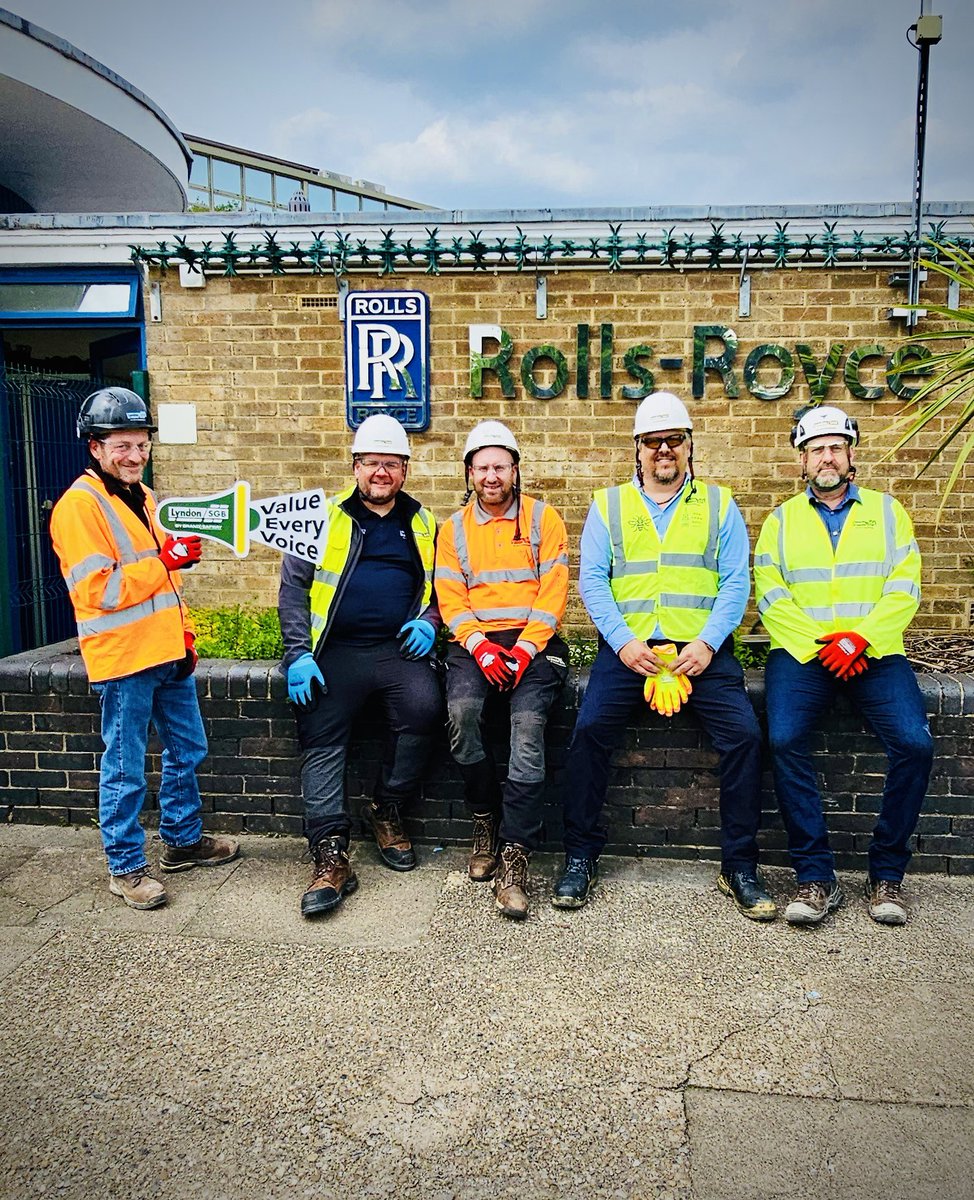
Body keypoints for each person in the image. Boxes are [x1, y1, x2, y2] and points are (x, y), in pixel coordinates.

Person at [552, 391, 772, 920]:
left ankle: (739, 866)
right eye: (653, 442)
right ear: (638, 449)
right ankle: (581, 855)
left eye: (674, 440)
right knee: (587, 735)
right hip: (630, 651)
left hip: (703, 652)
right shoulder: (609, 505)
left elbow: (736, 582)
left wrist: (707, 644)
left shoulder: (720, 504)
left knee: (744, 738)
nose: (664, 450)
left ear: (690, 445)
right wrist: (624, 643)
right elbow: (594, 582)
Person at [49, 388, 239, 911]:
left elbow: (160, 582)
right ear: (95, 448)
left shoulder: (145, 497)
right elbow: (99, 590)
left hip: (165, 654)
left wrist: (184, 635)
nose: (134, 455)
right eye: (122, 446)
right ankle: (127, 868)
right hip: (124, 659)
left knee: (188, 749)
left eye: (141, 444)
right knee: (126, 767)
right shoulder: (78, 508)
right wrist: (166, 562)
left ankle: (182, 842)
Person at [754, 405, 933, 927]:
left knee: (915, 744)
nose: (826, 457)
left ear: (851, 455)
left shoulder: (887, 511)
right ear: (802, 462)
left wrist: (862, 639)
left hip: (874, 652)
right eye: (816, 449)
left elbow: (905, 586)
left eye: (835, 447)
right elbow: (771, 594)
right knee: (783, 740)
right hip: (804, 655)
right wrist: (820, 644)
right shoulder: (781, 520)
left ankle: (886, 874)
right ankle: (816, 877)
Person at [279, 414, 441, 918]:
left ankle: (386, 808)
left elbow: (445, 588)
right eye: (372, 462)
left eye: (391, 464)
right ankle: (330, 855)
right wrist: (297, 654)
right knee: (321, 730)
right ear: (355, 466)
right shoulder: (320, 518)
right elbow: (293, 590)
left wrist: (432, 621)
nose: (381, 472)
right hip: (334, 652)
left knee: (426, 708)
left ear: (405, 470)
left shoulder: (423, 522)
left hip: (398, 649)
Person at [434, 420, 569, 921]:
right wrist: (482, 649)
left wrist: (524, 650)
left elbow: (554, 593)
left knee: (527, 730)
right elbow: (451, 598)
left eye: (500, 466)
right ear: (469, 472)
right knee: (464, 714)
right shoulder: (452, 530)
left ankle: (516, 857)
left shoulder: (542, 519)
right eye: (481, 467)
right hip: (476, 644)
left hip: (533, 642)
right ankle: (485, 819)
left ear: (515, 469)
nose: (491, 476)